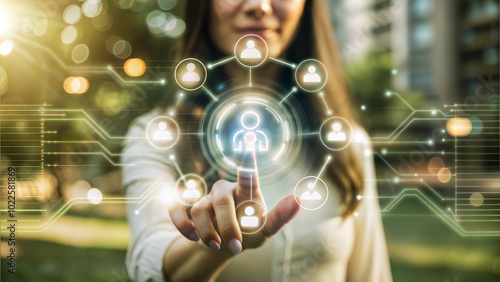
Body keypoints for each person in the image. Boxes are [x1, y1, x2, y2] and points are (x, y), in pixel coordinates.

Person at [122, 0, 392, 281]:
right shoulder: (157, 138)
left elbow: (371, 275)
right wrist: (216, 245)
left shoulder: (346, 143)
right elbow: (151, 264)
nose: (259, 6)